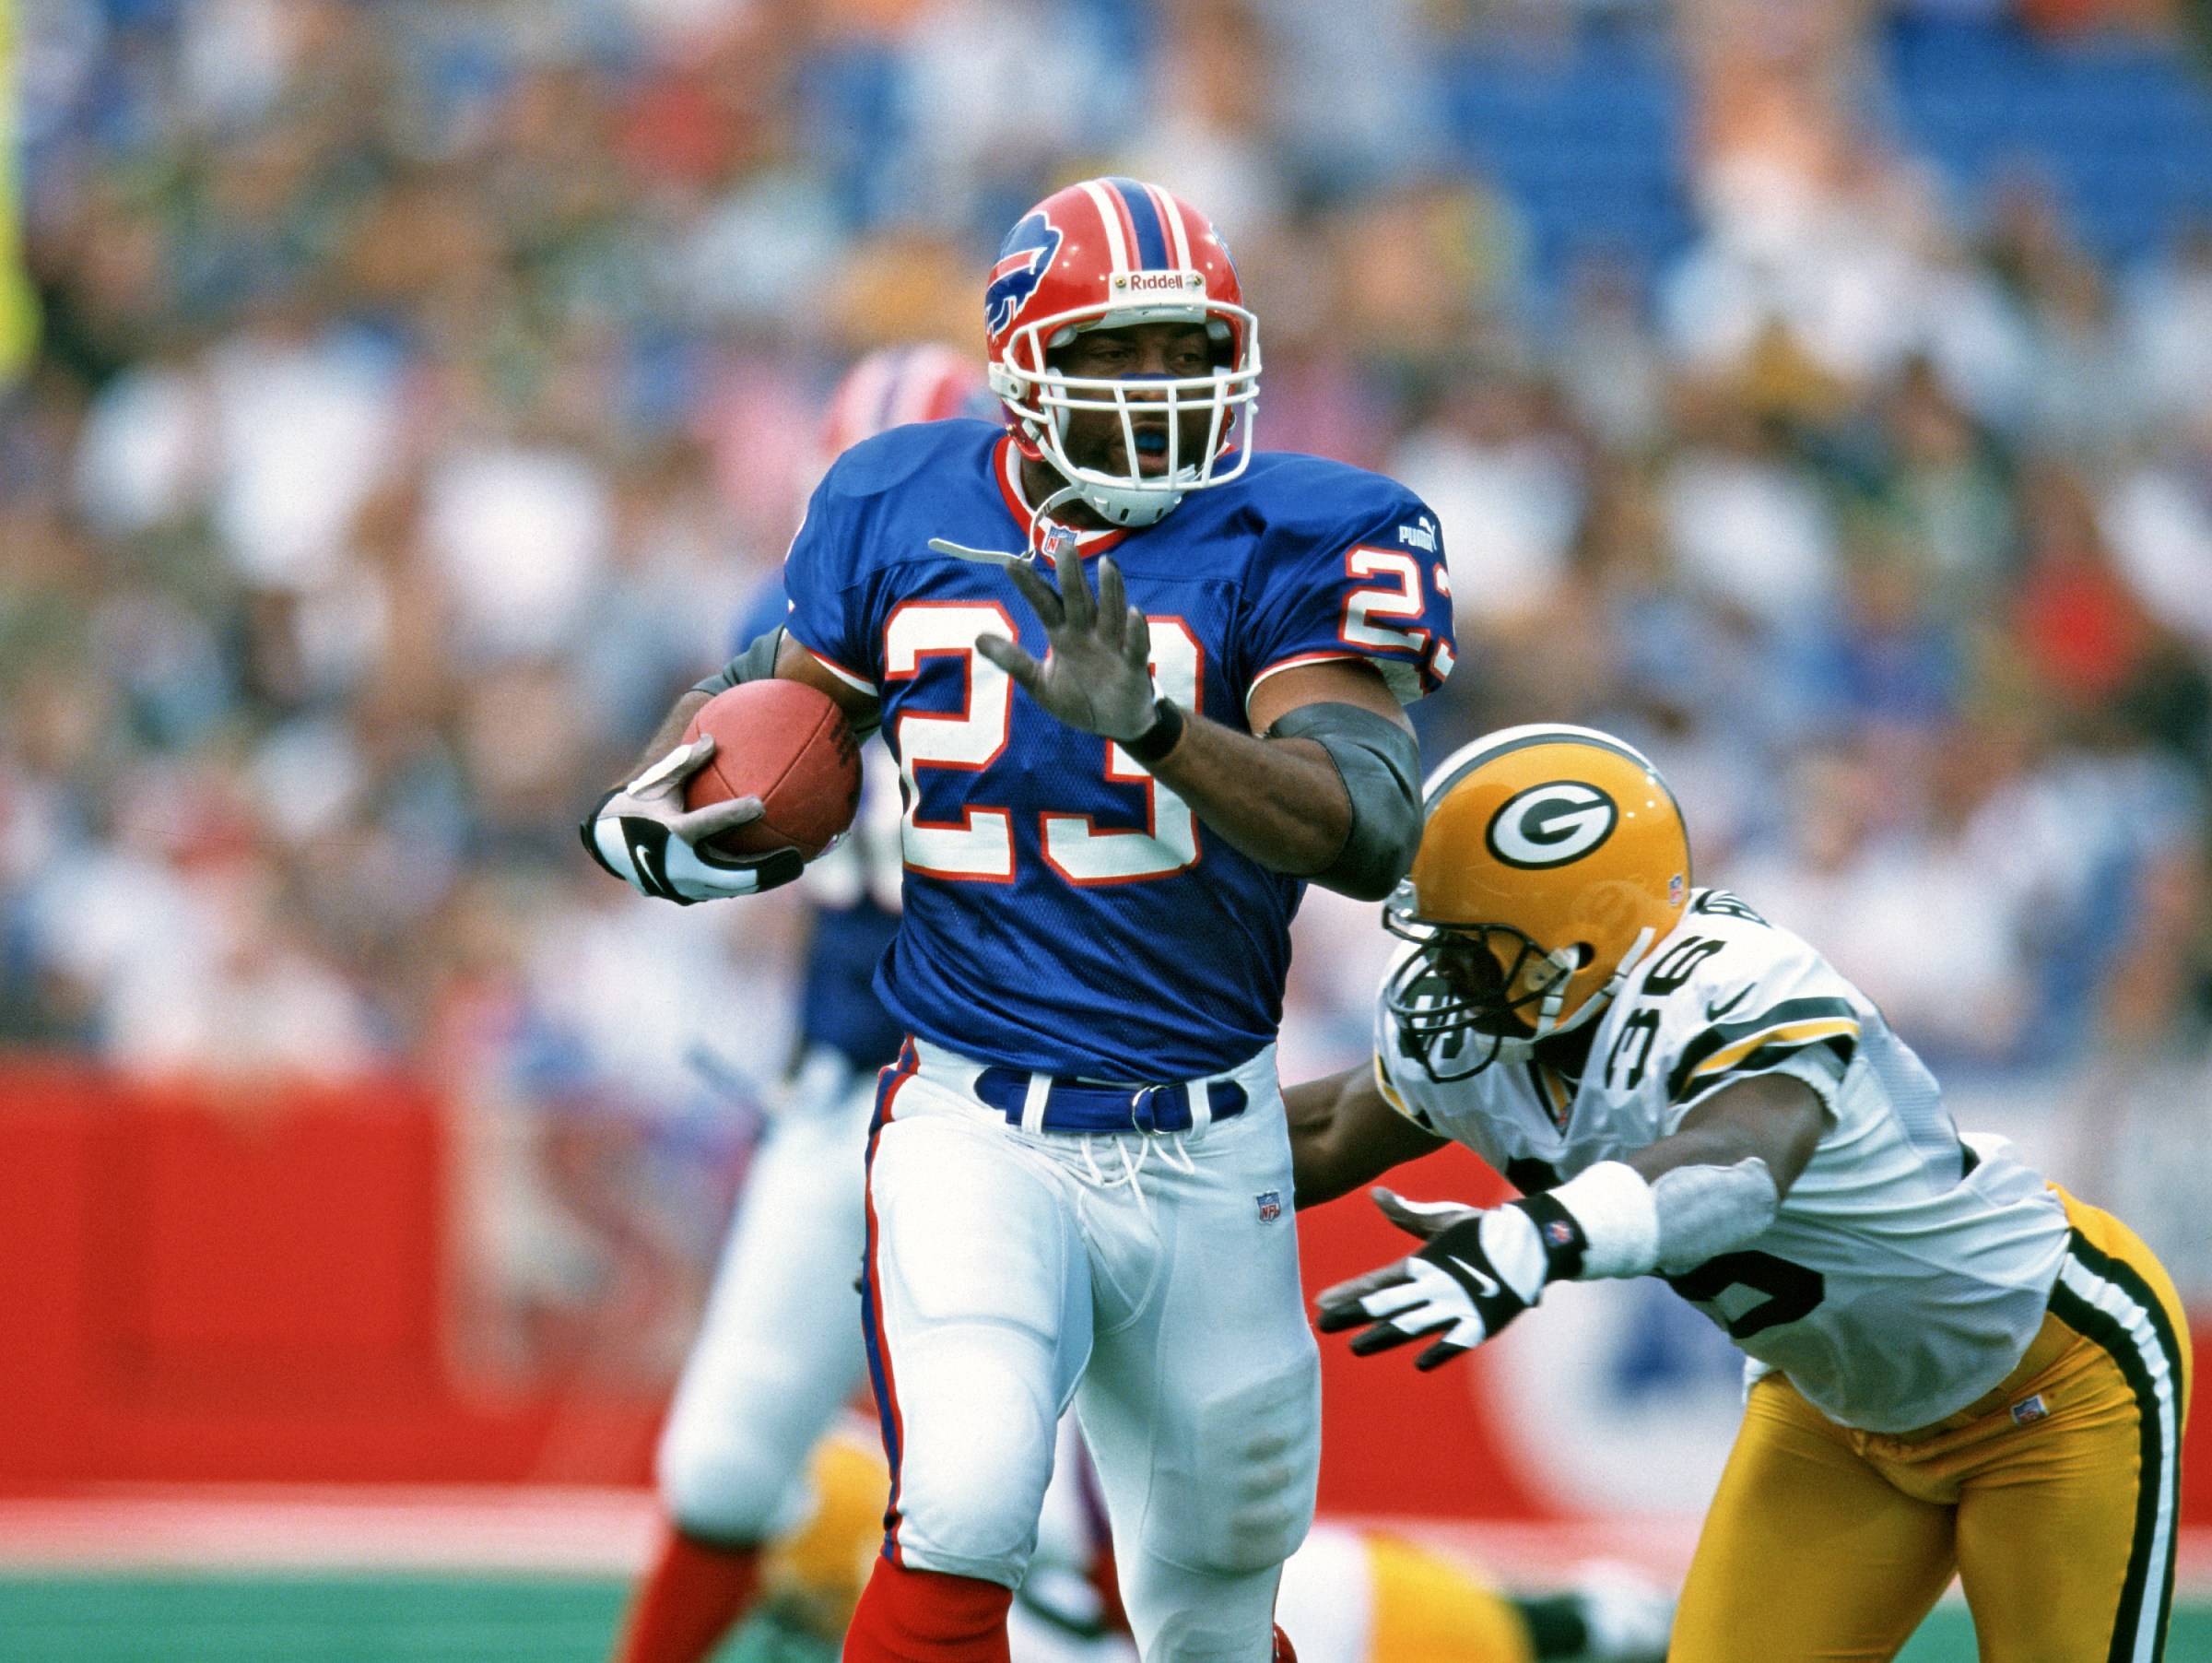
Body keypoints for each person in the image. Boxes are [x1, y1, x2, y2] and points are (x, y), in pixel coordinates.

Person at [584, 176, 1456, 1663]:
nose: (1165, 386)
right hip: (975, 1116)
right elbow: (782, 707)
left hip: (1210, 1137)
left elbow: (1373, 829)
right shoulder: (892, 497)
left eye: (1189, 349)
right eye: (1121, 352)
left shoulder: (1310, 529)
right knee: (969, 1498)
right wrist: (673, 812)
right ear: (1026, 364)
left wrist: (1167, 728)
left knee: (1209, 1606)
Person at [1290, 724, 2193, 1663]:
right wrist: (1146, 1169)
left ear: (1585, 933)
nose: (1446, 976)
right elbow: (1322, 1130)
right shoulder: (1494, 1028)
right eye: (1442, 941)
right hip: (1834, 1413)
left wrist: (1535, 1237)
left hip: (2049, 1374)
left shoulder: (1734, 981)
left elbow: (1739, 1163)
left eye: (1478, 945)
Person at [608, 345, 990, 1663]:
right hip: (851, 1086)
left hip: (1038, 1109)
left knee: (1058, 1523)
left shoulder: (1079, 618)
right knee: (720, 1463)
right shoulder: (792, 619)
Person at [724, 1421, 1675, 1663]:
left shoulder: (983, 1580)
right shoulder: (1010, 1523)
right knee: (1582, 1628)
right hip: (1355, 1581)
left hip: (1371, 1636)